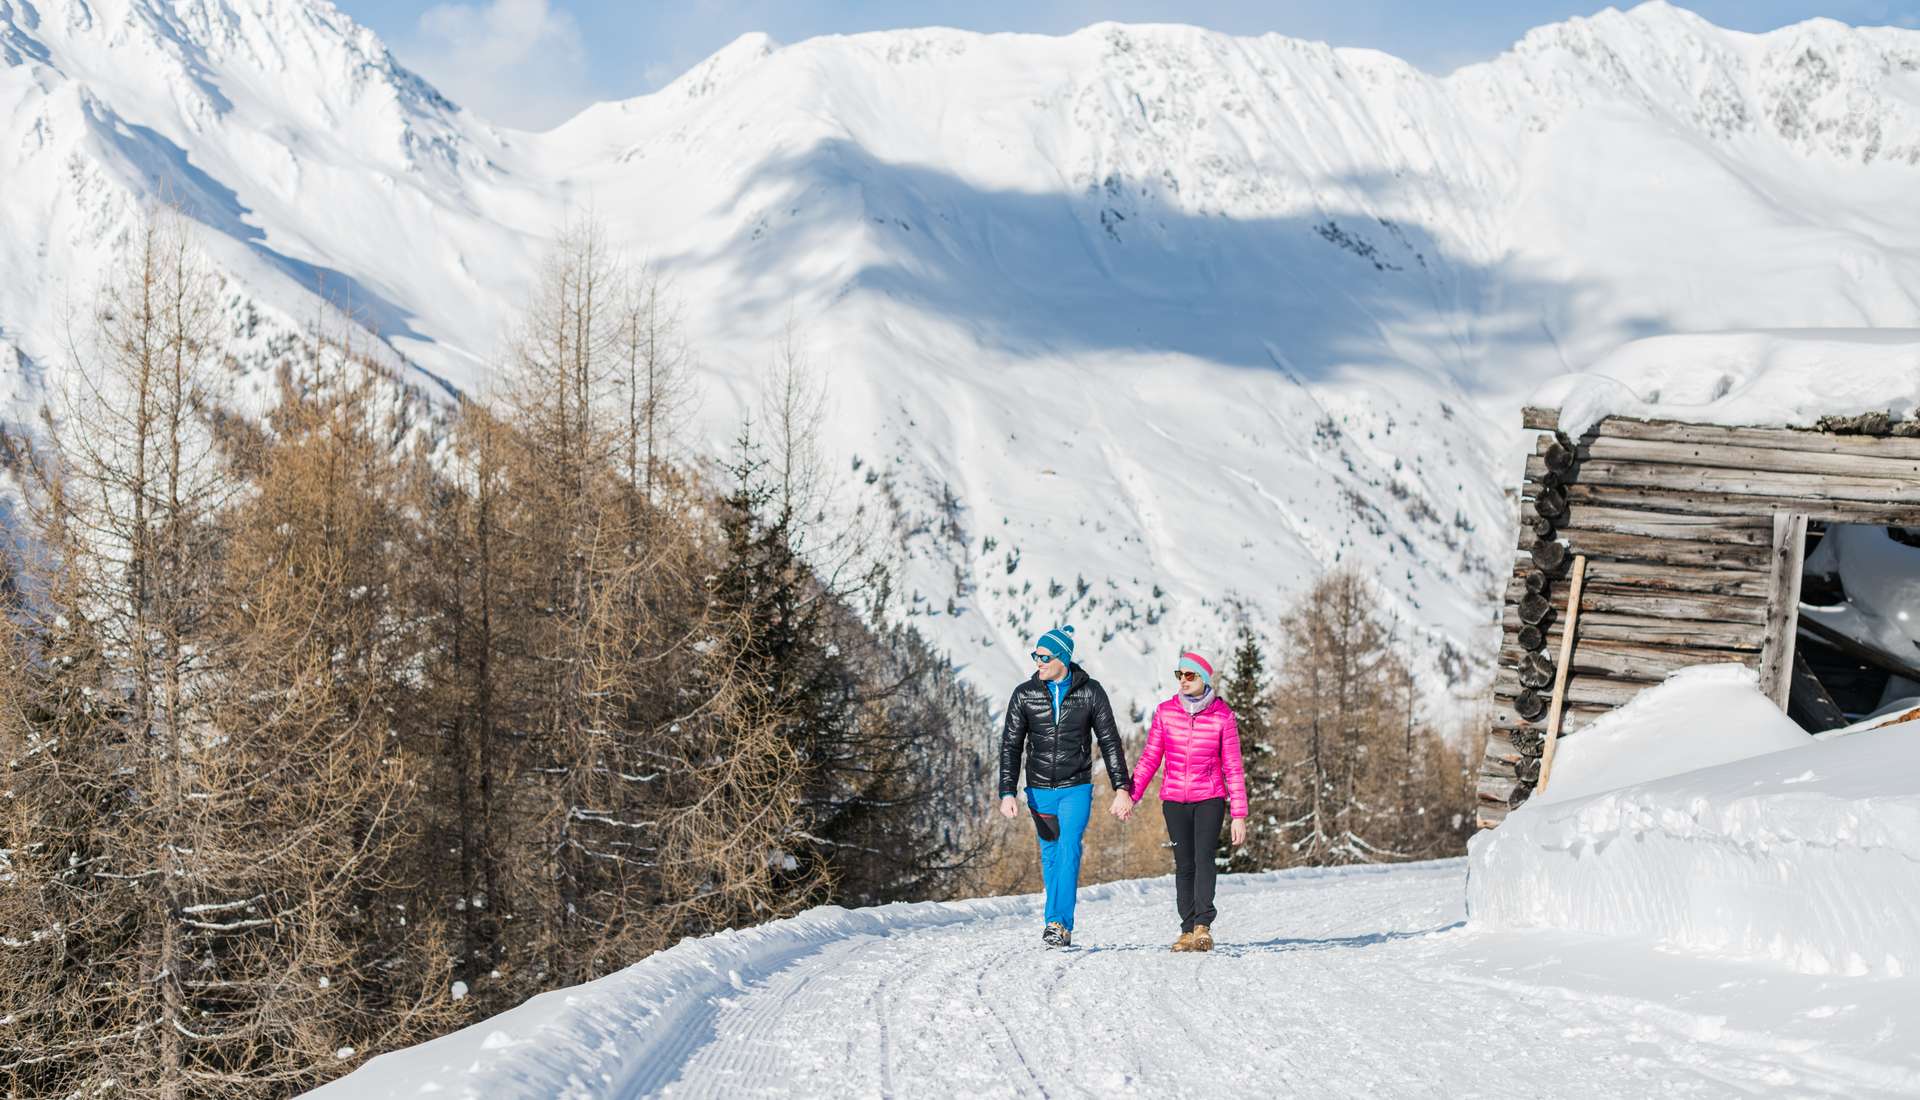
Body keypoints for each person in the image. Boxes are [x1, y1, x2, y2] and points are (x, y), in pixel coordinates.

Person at [998, 625, 1132, 948]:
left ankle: (1058, 922)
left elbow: (1110, 741)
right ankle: (1055, 924)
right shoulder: (1024, 694)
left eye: (1044, 657)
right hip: (1039, 789)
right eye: (1036, 656)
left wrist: (1121, 787)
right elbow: (1011, 746)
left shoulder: (1091, 692)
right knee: (1051, 855)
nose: (1037, 662)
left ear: (1062, 658)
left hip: (1076, 786)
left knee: (1069, 845)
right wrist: (1007, 791)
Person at [1115, 650, 1247, 952]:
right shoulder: (1165, 712)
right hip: (1174, 799)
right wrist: (1131, 796)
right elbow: (1150, 758)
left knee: (1204, 859)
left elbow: (1233, 767)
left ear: (1204, 679)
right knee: (1184, 864)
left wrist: (1238, 814)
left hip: (1210, 797)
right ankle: (1187, 929)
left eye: (1190, 675)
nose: (1183, 681)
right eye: (1180, 675)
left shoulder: (1223, 716)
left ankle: (1203, 926)